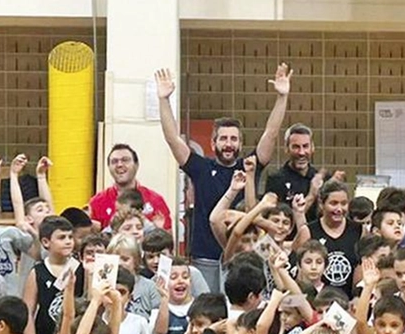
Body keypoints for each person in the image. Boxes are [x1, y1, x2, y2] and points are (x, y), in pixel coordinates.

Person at [155, 64, 291, 291]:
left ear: (240, 143)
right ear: (213, 143)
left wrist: (282, 96)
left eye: (234, 139)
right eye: (223, 139)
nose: (229, 144)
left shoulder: (249, 165)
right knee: (209, 309)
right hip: (206, 257)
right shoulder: (200, 167)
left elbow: (271, 133)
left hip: (248, 253)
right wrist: (164, 100)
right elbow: (172, 139)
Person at [89, 144, 173, 231]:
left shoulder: (155, 200)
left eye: (125, 160)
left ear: (136, 165)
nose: (120, 165)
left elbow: (167, 239)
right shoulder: (97, 202)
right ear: (109, 167)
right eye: (114, 161)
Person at [265, 123, 322, 205]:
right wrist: (311, 196)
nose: (301, 152)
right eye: (296, 147)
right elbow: (280, 217)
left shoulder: (321, 179)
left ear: (312, 148)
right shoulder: (276, 180)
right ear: (286, 148)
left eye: (305, 146)